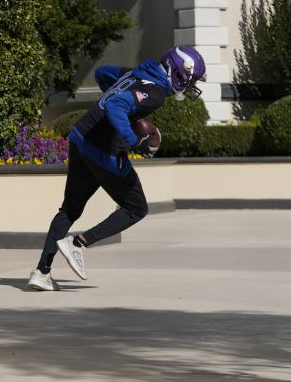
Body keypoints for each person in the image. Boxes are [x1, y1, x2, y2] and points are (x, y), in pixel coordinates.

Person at [28, 46, 207, 291]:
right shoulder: (155, 92)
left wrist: (122, 98)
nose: (192, 86)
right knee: (136, 208)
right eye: (192, 80)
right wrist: (133, 141)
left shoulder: (136, 73)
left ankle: (41, 272)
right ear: (179, 72)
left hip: (81, 136)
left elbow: (102, 73)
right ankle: (79, 243)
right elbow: (116, 106)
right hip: (102, 151)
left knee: (69, 209)